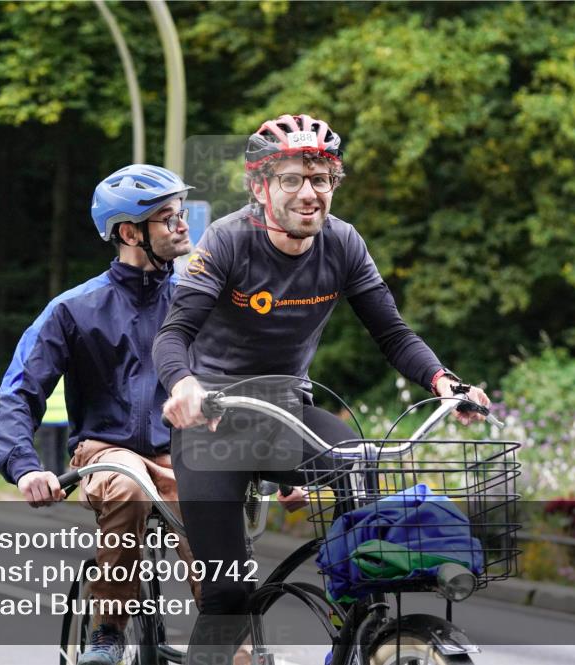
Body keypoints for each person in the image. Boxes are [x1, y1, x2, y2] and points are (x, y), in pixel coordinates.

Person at [153, 114, 491, 661]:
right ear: (261, 187)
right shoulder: (227, 240)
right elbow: (174, 334)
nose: (310, 193)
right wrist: (184, 384)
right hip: (213, 425)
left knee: (362, 460)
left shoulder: (344, 243)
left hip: (288, 413)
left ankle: (358, 627)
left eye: (322, 179)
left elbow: (393, 333)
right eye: (292, 179)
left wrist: (443, 381)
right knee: (228, 596)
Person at [0, 164, 202, 665]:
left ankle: (231, 634)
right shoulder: (74, 309)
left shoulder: (198, 301)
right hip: (106, 451)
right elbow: (19, 391)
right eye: (167, 217)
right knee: (129, 485)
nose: (182, 225)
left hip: (183, 454)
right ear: (130, 233)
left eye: (181, 213)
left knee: (211, 500)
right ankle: (106, 632)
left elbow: (248, 374)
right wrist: (26, 467)